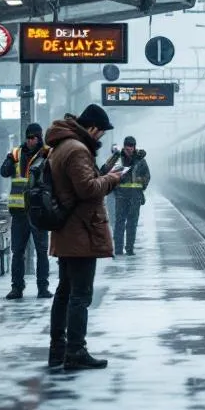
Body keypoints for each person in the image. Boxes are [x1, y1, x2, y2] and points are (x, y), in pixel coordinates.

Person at [45, 105, 122, 370]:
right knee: (79, 295)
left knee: (64, 292)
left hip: (68, 231)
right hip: (80, 232)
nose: (99, 138)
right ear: (92, 128)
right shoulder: (77, 149)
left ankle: (58, 349)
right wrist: (112, 179)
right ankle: (75, 351)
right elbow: (88, 188)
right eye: (100, 132)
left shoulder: (62, 146)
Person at [0, 123, 51, 299]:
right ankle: (17, 287)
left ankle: (43, 288)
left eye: (33, 138)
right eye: (28, 138)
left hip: (38, 210)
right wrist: (8, 160)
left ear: (39, 137)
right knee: (18, 252)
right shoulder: (16, 154)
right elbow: (4, 172)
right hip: (19, 211)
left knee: (42, 251)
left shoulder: (47, 154)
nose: (30, 141)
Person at [101, 136, 151, 255]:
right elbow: (103, 170)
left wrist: (139, 183)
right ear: (124, 146)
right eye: (127, 147)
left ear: (134, 147)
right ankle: (118, 249)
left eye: (131, 147)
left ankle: (130, 249)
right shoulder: (117, 158)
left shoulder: (140, 160)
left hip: (135, 196)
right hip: (121, 196)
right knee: (119, 223)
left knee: (132, 224)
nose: (129, 150)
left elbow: (147, 176)